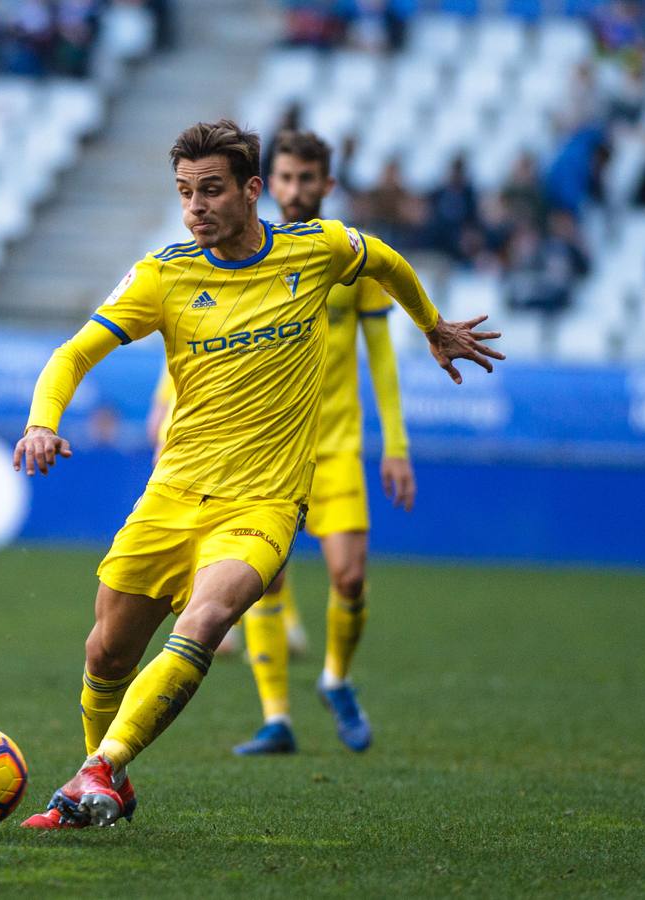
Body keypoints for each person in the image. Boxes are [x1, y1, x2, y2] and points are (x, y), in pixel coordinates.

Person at [13, 119, 502, 829]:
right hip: (171, 496)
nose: (196, 207)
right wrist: (41, 420)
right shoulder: (164, 274)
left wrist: (430, 325)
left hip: (265, 502)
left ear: (252, 190)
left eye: (211, 191)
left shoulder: (318, 250)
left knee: (206, 619)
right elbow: (73, 354)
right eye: (184, 193)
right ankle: (108, 776)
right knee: (106, 652)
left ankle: (96, 773)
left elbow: (387, 262)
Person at [230, 130, 416, 756]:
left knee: (350, 577)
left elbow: (382, 357)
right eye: (284, 177)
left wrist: (396, 445)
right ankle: (276, 717)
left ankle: (335, 678)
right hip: (271, 454)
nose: (294, 190)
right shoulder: (247, 254)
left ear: (327, 185)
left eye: (307, 179)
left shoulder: (348, 256)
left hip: (335, 447)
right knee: (266, 583)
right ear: (266, 183)